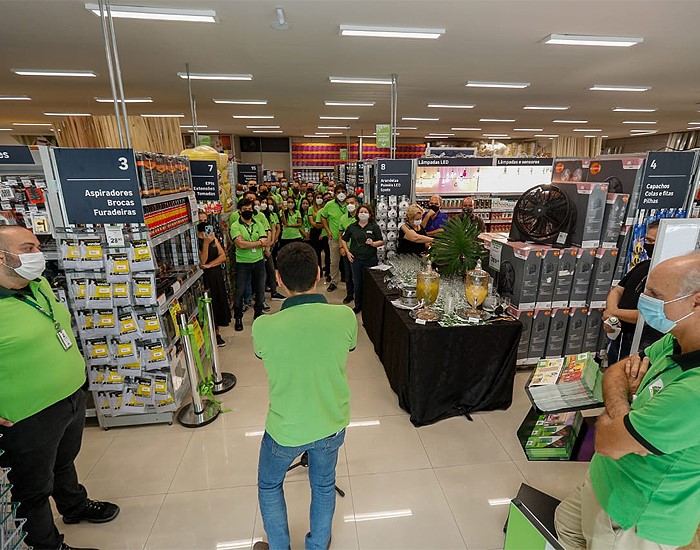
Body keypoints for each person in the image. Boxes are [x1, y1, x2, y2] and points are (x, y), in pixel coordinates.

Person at [555, 251, 700, 549]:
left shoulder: (694, 392)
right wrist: (625, 410)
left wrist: (617, 413)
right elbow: (616, 371)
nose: (643, 299)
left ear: (696, 301)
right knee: (565, 526)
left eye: (655, 294)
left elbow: (607, 442)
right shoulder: (677, 339)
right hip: (604, 480)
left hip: (635, 517)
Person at [0, 225, 119, 550]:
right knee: (33, 489)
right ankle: (48, 545)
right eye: (27, 248)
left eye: (37, 246)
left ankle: (74, 506)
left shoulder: (37, 286)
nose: (38, 254)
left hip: (70, 397)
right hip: (27, 416)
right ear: (1, 256)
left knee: (64, 462)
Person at [252, 243, 357, 550]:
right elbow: (348, 348)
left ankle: (280, 547)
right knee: (323, 485)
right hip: (331, 422)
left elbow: (262, 355)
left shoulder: (264, 326)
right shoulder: (345, 317)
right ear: (319, 275)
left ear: (279, 279)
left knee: (270, 484)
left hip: (285, 430)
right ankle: (317, 544)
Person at [604, 221, 663, 363]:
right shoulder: (643, 265)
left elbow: (648, 315)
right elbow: (617, 290)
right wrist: (612, 312)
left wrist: (614, 313)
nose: (646, 244)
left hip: (642, 341)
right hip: (621, 334)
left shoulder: (667, 276)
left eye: (650, 241)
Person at [229, 199, 269, 331]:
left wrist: (248, 243)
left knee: (260, 290)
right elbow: (240, 244)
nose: (248, 211)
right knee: (240, 292)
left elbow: (265, 240)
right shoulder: (235, 225)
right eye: (245, 209)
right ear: (240, 210)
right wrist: (258, 243)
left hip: (258, 261)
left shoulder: (258, 224)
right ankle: (238, 318)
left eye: (250, 209)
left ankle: (258, 314)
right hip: (243, 264)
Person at [341, 204, 384, 314]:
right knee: (358, 283)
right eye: (361, 212)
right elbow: (344, 239)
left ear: (370, 215)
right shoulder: (352, 227)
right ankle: (358, 305)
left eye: (366, 212)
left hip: (371, 259)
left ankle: (369, 305)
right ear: (357, 214)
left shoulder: (374, 226)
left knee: (370, 283)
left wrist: (373, 243)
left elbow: (381, 241)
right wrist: (347, 252)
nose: (363, 214)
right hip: (356, 260)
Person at [197, 212, 232, 346]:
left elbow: (223, 256)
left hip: (215, 274)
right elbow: (202, 260)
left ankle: (217, 333)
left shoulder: (213, 237)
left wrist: (211, 265)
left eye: (205, 220)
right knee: (208, 305)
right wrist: (206, 243)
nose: (204, 222)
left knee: (217, 302)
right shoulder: (195, 240)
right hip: (204, 278)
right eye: (201, 220)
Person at [321, 184, 348, 292]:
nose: (341, 194)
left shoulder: (350, 204)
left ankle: (348, 280)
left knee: (349, 261)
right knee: (334, 261)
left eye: (343, 192)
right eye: (338, 192)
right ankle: (334, 282)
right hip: (335, 238)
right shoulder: (329, 205)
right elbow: (323, 217)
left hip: (349, 239)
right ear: (335, 194)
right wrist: (328, 231)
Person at [262, 200, 286, 302]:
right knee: (262, 273)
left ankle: (274, 292)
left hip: (269, 246)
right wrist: (265, 247)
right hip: (260, 248)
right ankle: (260, 295)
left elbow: (272, 228)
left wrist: (272, 240)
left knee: (271, 270)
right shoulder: (255, 217)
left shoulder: (269, 215)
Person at [338, 196, 358, 305]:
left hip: (359, 251)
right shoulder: (343, 218)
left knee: (358, 275)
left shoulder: (361, 218)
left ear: (356, 204)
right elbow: (340, 233)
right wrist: (341, 247)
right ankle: (349, 294)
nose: (350, 205)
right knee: (348, 274)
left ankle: (359, 293)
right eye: (347, 203)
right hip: (347, 249)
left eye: (352, 203)